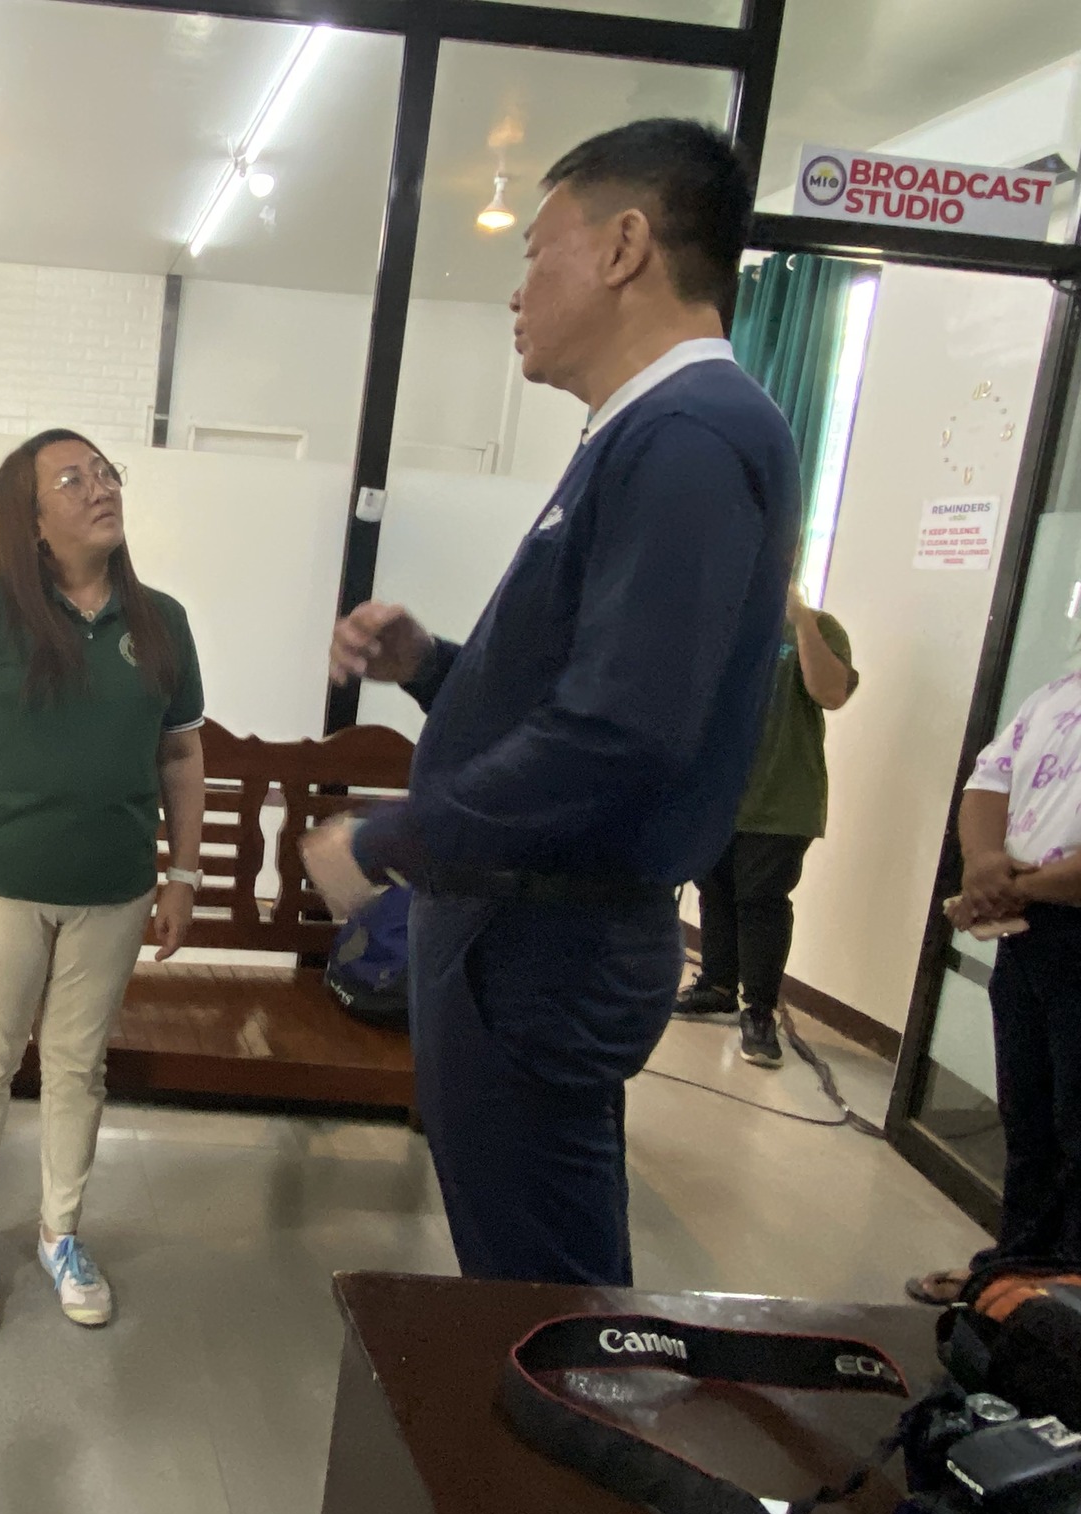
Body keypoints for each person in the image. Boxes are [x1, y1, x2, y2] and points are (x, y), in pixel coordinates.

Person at [309, 119, 800, 1287]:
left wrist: (386, 840)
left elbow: (621, 731)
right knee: (522, 1266)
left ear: (625, 245)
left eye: (536, 253)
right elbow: (585, 686)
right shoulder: (639, 435)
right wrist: (432, 663)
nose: (517, 292)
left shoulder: (684, 433)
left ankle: (574, 1460)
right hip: (519, 932)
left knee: (543, 1295)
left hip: (544, 941)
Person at [0, 429, 206, 1336]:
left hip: (114, 888)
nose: (100, 488)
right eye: (73, 479)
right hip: (0, 883)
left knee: (80, 1067)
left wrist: (183, 874)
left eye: (107, 472)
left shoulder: (161, 620)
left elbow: (184, 752)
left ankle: (59, 1232)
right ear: (31, 520)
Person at [907, 669, 1081, 1306]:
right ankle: (1015, 1271)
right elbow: (989, 782)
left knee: (1077, 1121)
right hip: (1033, 929)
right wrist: (982, 863)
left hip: (1051, 908)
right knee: (1029, 1112)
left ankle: (1062, 1299)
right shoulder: (1057, 693)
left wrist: (1010, 886)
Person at [675, 584, 857, 1067]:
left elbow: (830, 693)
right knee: (714, 888)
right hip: (720, 796)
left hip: (782, 798)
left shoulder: (821, 627)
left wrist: (800, 621)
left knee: (760, 900)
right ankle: (716, 986)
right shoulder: (726, 622)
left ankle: (758, 1011)